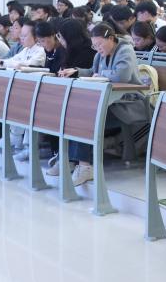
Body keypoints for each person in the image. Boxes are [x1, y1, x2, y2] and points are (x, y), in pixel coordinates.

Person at [56, 23, 146, 186]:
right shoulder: (101, 53)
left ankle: (85, 166)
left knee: (85, 117)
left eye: (99, 44)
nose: (97, 48)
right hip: (109, 102)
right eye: (94, 45)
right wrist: (75, 71)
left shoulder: (126, 50)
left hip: (128, 103)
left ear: (111, 38)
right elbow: (92, 72)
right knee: (73, 112)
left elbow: (122, 76)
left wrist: (101, 74)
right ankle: (71, 160)